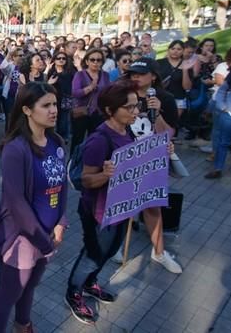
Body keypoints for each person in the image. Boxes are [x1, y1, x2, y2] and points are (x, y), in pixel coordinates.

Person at [65, 81, 156, 325]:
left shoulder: (127, 130)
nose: (135, 112)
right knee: (93, 255)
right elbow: (86, 179)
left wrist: (161, 152)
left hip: (121, 207)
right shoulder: (99, 140)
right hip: (99, 211)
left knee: (110, 250)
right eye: (129, 107)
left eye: (137, 106)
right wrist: (105, 175)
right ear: (109, 110)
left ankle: (89, 282)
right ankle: (74, 292)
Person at [0, 82, 68, 333]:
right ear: (28, 110)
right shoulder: (15, 149)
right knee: (9, 294)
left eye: (55, 104)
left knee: (30, 287)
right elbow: (15, 202)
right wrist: (43, 240)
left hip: (49, 235)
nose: (54, 110)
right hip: (22, 238)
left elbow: (62, 187)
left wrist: (62, 222)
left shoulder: (57, 142)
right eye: (46, 105)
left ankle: (23, 325)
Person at [108, 58, 182, 273]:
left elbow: (169, 133)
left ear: (154, 76)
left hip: (153, 161)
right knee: (121, 204)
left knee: (152, 206)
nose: (135, 77)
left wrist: (156, 113)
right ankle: (115, 246)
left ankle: (159, 252)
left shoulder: (165, 99)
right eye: (132, 74)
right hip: (125, 157)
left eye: (140, 73)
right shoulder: (122, 96)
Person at [71, 48, 110, 153]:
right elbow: (75, 93)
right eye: (92, 59)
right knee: (78, 140)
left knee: (96, 139)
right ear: (87, 61)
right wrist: (90, 87)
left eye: (99, 60)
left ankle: (92, 162)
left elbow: (108, 92)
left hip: (99, 113)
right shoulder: (80, 75)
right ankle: (73, 163)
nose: (95, 62)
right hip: (82, 112)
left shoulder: (105, 75)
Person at [157, 40, 194, 118]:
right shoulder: (159, 63)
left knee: (173, 123)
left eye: (179, 49)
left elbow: (187, 87)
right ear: (168, 50)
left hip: (178, 99)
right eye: (173, 49)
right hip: (160, 97)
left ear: (183, 51)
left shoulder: (187, 65)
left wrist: (185, 70)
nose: (175, 51)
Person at [47, 50, 75, 142]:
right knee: (52, 118)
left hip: (65, 98)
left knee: (64, 119)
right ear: (54, 60)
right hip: (52, 99)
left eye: (64, 58)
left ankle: (63, 137)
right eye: (59, 58)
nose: (61, 60)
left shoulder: (70, 71)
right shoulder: (50, 71)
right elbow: (44, 84)